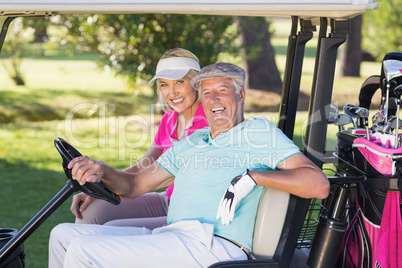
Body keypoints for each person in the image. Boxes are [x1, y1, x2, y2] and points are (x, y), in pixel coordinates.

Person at [49, 62, 330, 268]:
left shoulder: (257, 132)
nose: (214, 99)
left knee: (84, 249)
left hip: (214, 244)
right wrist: (102, 170)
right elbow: (135, 186)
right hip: (174, 235)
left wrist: (253, 177)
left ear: (241, 96)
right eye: (206, 93)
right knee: (62, 235)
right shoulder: (194, 140)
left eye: (223, 90)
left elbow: (317, 184)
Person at [70, 48, 208, 229]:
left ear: (196, 82)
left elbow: (144, 182)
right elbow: (144, 166)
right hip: (168, 200)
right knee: (91, 211)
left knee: (110, 231)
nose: (171, 93)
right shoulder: (171, 118)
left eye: (179, 82)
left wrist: (109, 179)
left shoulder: (207, 121)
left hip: (191, 214)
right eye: (164, 84)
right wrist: (102, 190)